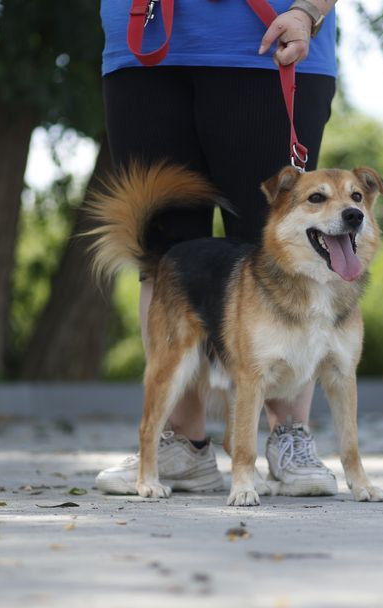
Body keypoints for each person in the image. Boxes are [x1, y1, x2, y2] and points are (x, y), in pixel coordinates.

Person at [94, 0, 341, 496]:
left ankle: (290, 439)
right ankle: (181, 444)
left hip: (268, 37)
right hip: (145, 46)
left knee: (282, 256)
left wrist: (309, 11)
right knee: (162, 259)